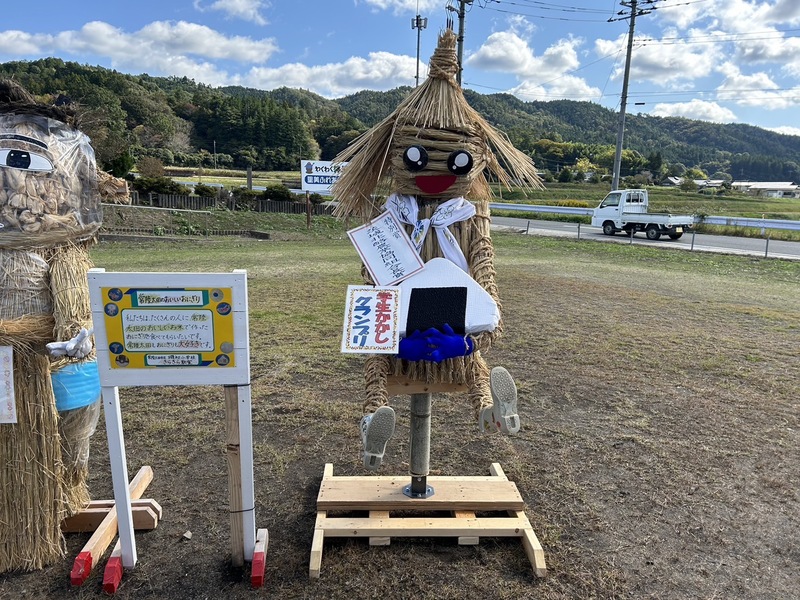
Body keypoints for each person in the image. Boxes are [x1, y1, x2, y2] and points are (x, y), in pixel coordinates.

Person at [332, 29, 544, 471]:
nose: (434, 171)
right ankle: (374, 425)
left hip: (456, 329)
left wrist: (469, 338)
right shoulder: (387, 219)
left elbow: (486, 280)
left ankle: (493, 410)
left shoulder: (471, 218)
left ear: (476, 160)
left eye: (457, 161)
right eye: (416, 157)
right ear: (393, 157)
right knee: (378, 364)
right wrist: (392, 338)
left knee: (475, 363)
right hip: (401, 336)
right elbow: (373, 285)